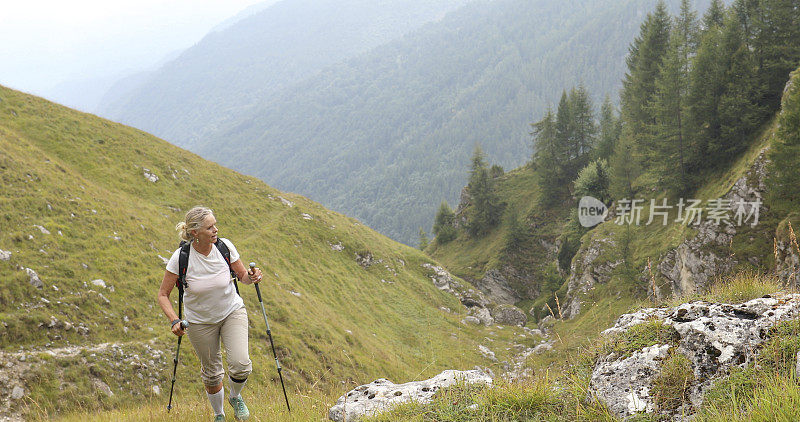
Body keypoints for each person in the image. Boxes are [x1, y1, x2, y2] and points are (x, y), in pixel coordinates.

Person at [157, 206, 263, 422]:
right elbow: (162, 295)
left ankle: (235, 396)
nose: (216, 230)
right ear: (195, 232)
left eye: (215, 225)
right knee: (212, 374)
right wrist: (174, 321)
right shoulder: (181, 258)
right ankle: (219, 415)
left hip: (231, 311)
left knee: (241, 364)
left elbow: (241, 276)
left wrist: (251, 278)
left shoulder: (224, 247)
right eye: (210, 227)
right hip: (199, 322)